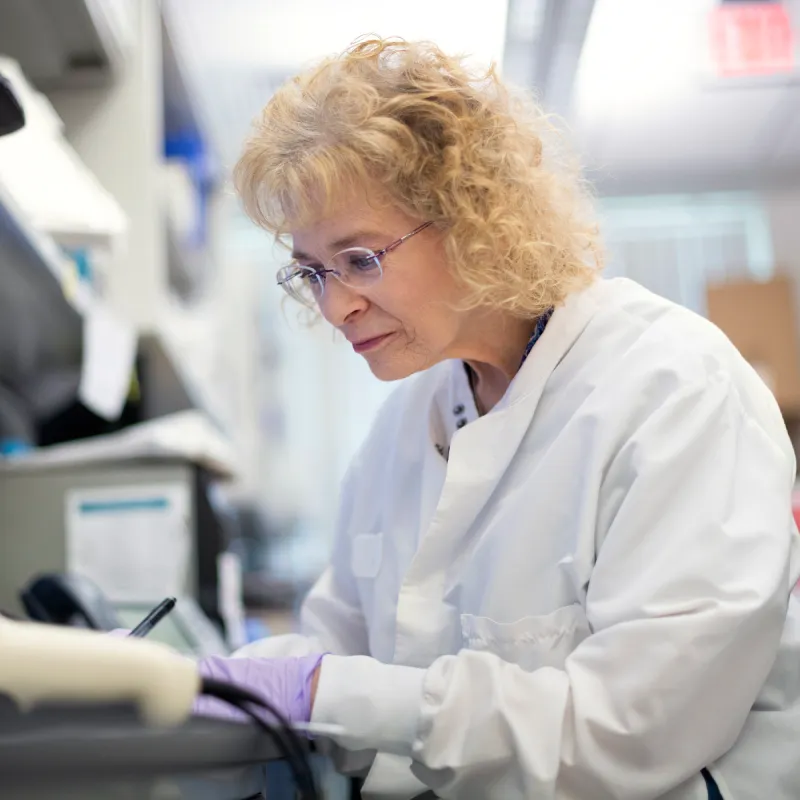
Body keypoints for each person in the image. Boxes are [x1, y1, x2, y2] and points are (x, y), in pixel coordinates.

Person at [195, 38, 800, 799]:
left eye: (360, 260)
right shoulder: (401, 429)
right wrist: (205, 687)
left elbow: (630, 731)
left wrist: (331, 693)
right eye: (313, 272)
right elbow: (340, 645)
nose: (335, 305)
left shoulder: (672, 389)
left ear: (476, 218)